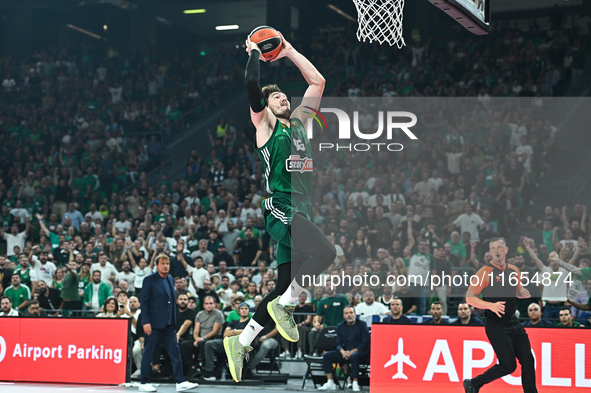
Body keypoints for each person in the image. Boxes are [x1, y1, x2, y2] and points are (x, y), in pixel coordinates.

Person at [224, 31, 336, 384]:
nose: (283, 99)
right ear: (266, 107)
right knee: (327, 253)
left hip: (304, 207)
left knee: (284, 285)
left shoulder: (302, 123)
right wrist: (255, 52)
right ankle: (284, 306)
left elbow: (317, 80)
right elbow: (251, 83)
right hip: (281, 205)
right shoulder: (266, 126)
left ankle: (240, 342)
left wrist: (288, 50)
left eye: (284, 95)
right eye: (276, 97)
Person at [464, 237, 537, 393]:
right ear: (490, 252)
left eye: (499, 247)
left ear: (506, 250)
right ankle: (474, 383)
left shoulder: (514, 270)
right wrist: (490, 305)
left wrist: (521, 293)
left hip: (514, 322)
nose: (497, 251)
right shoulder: (484, 272)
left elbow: (516, 291)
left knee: (528, 361)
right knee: (508, 366)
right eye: (493, 248)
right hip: (496, 325)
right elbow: (470, 298)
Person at [138, 254, 198, 392]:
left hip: (169, 325)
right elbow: (144, 303)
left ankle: (180, 381)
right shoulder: (149, 280)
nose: (166, 266)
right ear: (157, 265)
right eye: (163, 263)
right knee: (149, 352)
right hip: (153, 324)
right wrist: (145, 322)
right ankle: (144, 381)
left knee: (175, 352)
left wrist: (173, 321)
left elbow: (171, 303)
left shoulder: (170, 279)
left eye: (167, 264)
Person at [317, 306, 370, 392]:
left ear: (355, 314)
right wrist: (342, 352)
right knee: (327, 355)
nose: (349, 315)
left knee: (354, 356)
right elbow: (338, 343)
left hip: (359, 352)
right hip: (344, 352)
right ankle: (330, 382)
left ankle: (355, 382)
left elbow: (365, 343)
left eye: (351, 313)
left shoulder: (362, 325)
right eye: (346, 313)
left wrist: (351, 352)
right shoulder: (340, 326)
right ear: (343, 316)